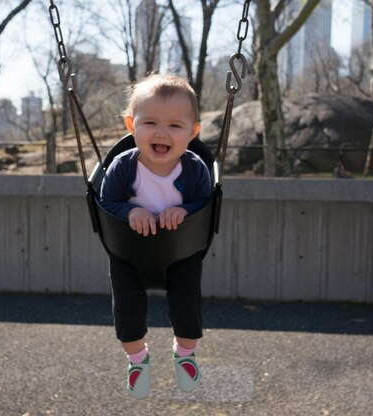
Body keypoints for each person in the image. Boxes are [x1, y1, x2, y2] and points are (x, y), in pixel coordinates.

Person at [100, 73, 212, 399]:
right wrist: (130, 211)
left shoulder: (195, 170)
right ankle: (137, 359)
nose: (162, 132)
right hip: (129, 251)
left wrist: (187, 210)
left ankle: (185, 353)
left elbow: (206, 203)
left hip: (181, 249)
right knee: (127, 309)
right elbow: (107, 203)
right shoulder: (122, 168)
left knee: (187, 302)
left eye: (175, 126)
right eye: (150, 122)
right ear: (131, 125)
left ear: (192, 133)